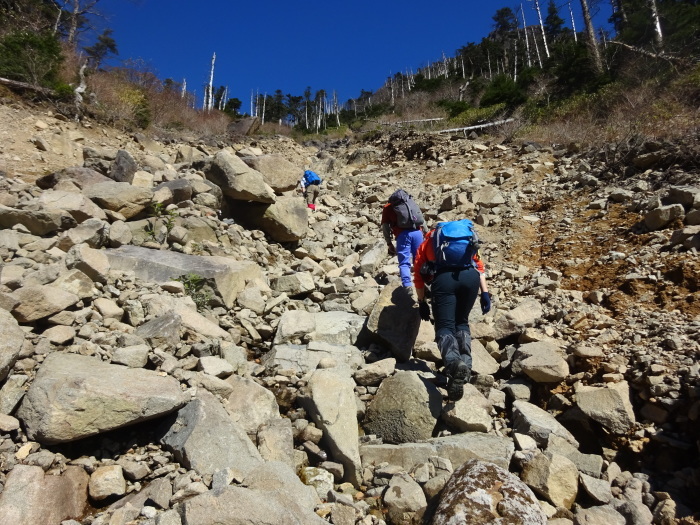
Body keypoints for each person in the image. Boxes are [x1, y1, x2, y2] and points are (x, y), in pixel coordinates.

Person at [413, 221, 491, 401]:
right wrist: (485, 293)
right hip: (470, 279)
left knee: (444, 327)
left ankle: (454, 364)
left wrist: (422, 301)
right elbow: (479, 266)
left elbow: (418, 273)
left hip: (443, 281)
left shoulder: (429, 241)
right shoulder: (468, 238)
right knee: (461, 322)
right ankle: (465, 366)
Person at [381, 190, 426, 291]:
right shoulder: (410, 202)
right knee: (419, 260)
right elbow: (421, 219)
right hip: (417, 232)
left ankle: (407, 284)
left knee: (404, 262)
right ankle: (423, 283)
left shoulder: (388, 207)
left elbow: (385, 227)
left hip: (403, 235)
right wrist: (426, 234)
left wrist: (389, 242)